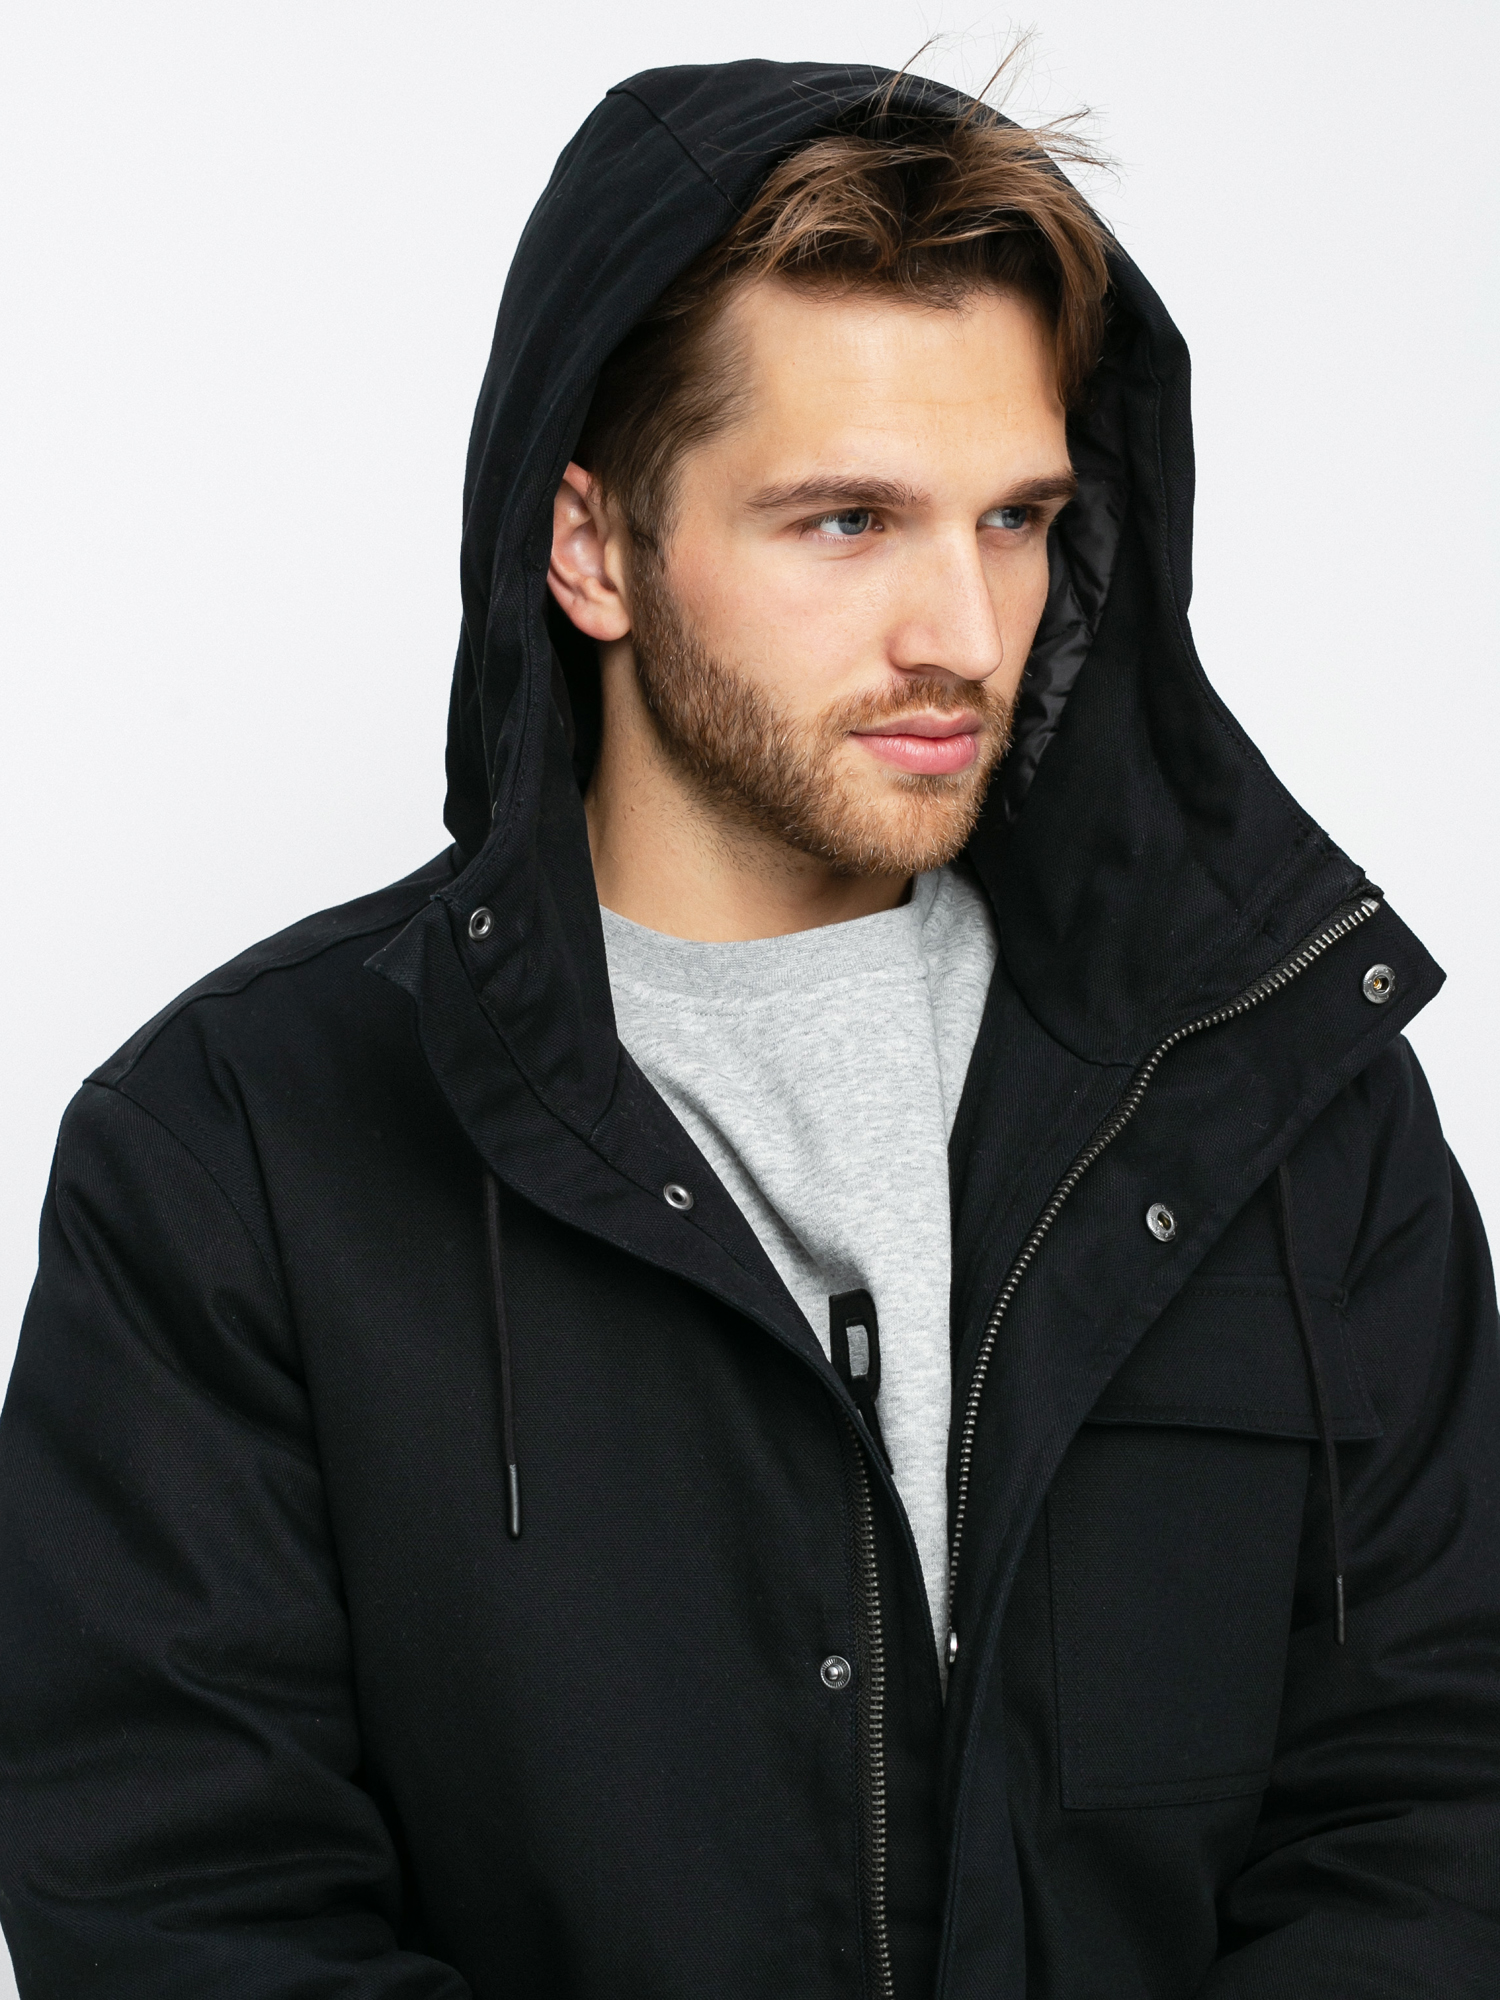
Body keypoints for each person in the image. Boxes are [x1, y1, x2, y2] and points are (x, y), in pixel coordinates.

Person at [1, 55, 1497, 2000]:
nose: (966, 630)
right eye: (848, 521)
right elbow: (187, 1908)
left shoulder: (1277, 1096)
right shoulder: (238, 1149)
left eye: (1019, 518)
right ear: (593, 548)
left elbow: (1438, 1794)